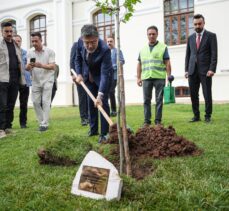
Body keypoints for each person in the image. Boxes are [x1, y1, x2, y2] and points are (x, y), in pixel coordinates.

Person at [74, 24, 113, 143]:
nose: (90, 45)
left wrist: (100, 95)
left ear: (98, 38)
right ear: (82, 40)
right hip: (87, 77)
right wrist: (79, 73)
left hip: (102, 77)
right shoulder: (79, 43)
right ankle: (93, 129)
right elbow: (78, 59)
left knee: (102, 103)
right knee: (91, 103)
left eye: (93, 42)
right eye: (87, 42)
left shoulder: (105, 49)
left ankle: (104, 133)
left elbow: (105, 74)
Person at [185, 14, 217, 123]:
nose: (197, 26)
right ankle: (196, 116)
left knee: (207, 94)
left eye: (199, 23)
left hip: (206, 71)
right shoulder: (190, 38)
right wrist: (186, 70)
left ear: (204, 23)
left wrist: (212, 69)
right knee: (193, 95)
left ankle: (207, 116)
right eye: (195, 24)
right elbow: (188, 55)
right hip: (192, 70)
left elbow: (214, 54)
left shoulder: (211, 36)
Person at [137, 25, 171, 126]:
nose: (151, 36)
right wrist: (138, 77)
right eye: (149, 34)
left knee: (159, 100)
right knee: (146, 100)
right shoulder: (142, 49)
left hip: (159, 77)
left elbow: (167, 62)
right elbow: (139, 64)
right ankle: (147, 121)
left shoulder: (163, 47)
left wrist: (169, 76)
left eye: (153, 34)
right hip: (146, 78)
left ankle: (158, 121)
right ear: (147, 35)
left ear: (157, 34)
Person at [0, 22, 26, 139]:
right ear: (2, 32)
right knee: (2, 105)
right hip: (2, 79)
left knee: (11, 104)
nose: (9, 33)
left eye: (11, 31)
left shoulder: (16, 45)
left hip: (15, 79)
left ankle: (8, 127)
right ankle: (0, 129)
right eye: (6, 31)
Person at [26, 32, 56, 132]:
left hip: (48, 79)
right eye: (32, 41)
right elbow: (27, 67)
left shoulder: (50, 51)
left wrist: (41, 65)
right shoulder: (30, 52)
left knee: (46, 101)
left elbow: (53, 66)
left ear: (41, 40)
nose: (34, 43)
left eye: (36, 41)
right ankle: (42, 121)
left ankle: (44, 124)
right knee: (35, 101)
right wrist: (28, 66)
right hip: (35, 80)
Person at [13, 34, 32, 129]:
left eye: (18, 41)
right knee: (10, 103)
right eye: (15, 41)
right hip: (13, 82)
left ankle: (23, 123)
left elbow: (29, 66)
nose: (17, 42)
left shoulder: (26, 53)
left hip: (25, 82)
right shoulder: (10, 53)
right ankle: (8, 124)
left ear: (21, 42)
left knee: (24, 104)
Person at [70, 42, 89, 126]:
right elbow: (72, 60)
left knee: (89, 97)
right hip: (79, 75)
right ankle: (84, 118)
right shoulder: (77, 44)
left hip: (89, 76)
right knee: (82, 97)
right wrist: (73, 74)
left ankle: (90, 116)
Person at [107, 36, 125, 117]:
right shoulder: (105, 52)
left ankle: (114, 110)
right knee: (106, 92)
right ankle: (107, 110)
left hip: (115, 76)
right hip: (106, 76)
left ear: (114, 42)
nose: (109, 43)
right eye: (108, 41)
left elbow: (122, 61)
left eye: (111, 41)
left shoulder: (117, 51)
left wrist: (113, 66)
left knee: (111, 91)